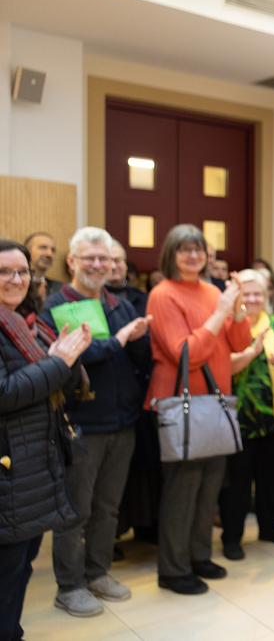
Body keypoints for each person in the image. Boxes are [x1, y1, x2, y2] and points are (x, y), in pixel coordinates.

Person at [40, 228, 152, 617]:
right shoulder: (57, 305)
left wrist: (140, 336)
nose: (98, 265)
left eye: (105, 258)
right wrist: (120, 339)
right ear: (71, 261)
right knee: (75, 511)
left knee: (108, 507)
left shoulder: (119, 303)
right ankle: (69, 586)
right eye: (89, 258)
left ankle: (97, 572)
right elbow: (75, 354)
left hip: (123, 422)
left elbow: (139, 357)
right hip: (81, 425)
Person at [144, 224, 251, 595]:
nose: (193, 256)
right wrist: (221, 312)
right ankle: (173, 569)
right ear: (171, 255)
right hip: (181, 402)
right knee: (183, 489)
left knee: (209, 487)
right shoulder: (162, 294)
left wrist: (237, 309)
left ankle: (199, 555)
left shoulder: (213, 291)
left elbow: (239, 341)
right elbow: (184, 353)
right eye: (185, 250)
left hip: (214, 402)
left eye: (199, 250)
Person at [0, 238, 91, 640]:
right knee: (7, 575)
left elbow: (53, 388)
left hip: (35, 468)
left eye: (21, 271)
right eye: (4, 271)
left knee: (20, 569)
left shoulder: (26, 323)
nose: (15, 279)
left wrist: (66, 359)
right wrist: (58, 361)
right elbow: (5, 394)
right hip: (10, 471)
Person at [219, 269, 274, 560]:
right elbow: (224, 366)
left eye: (257, 294)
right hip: (238, 418)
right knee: (237, 483)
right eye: (246, 294)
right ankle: (232, 538)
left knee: (271, 478)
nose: (252, 299)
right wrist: (252, 352)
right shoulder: (227, 324)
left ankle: (269, 527)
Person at [106, 240, 148, 316]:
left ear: (125, 265)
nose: (113, 266)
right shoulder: (92, 297)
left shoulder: (143, 298)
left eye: (117, 261)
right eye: (108, 261)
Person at [24, 232, 63, 298]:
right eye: (43, 247)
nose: (49, 254)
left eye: (53, 250)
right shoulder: (17, 284)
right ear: (27, 251)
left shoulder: (60, 289)